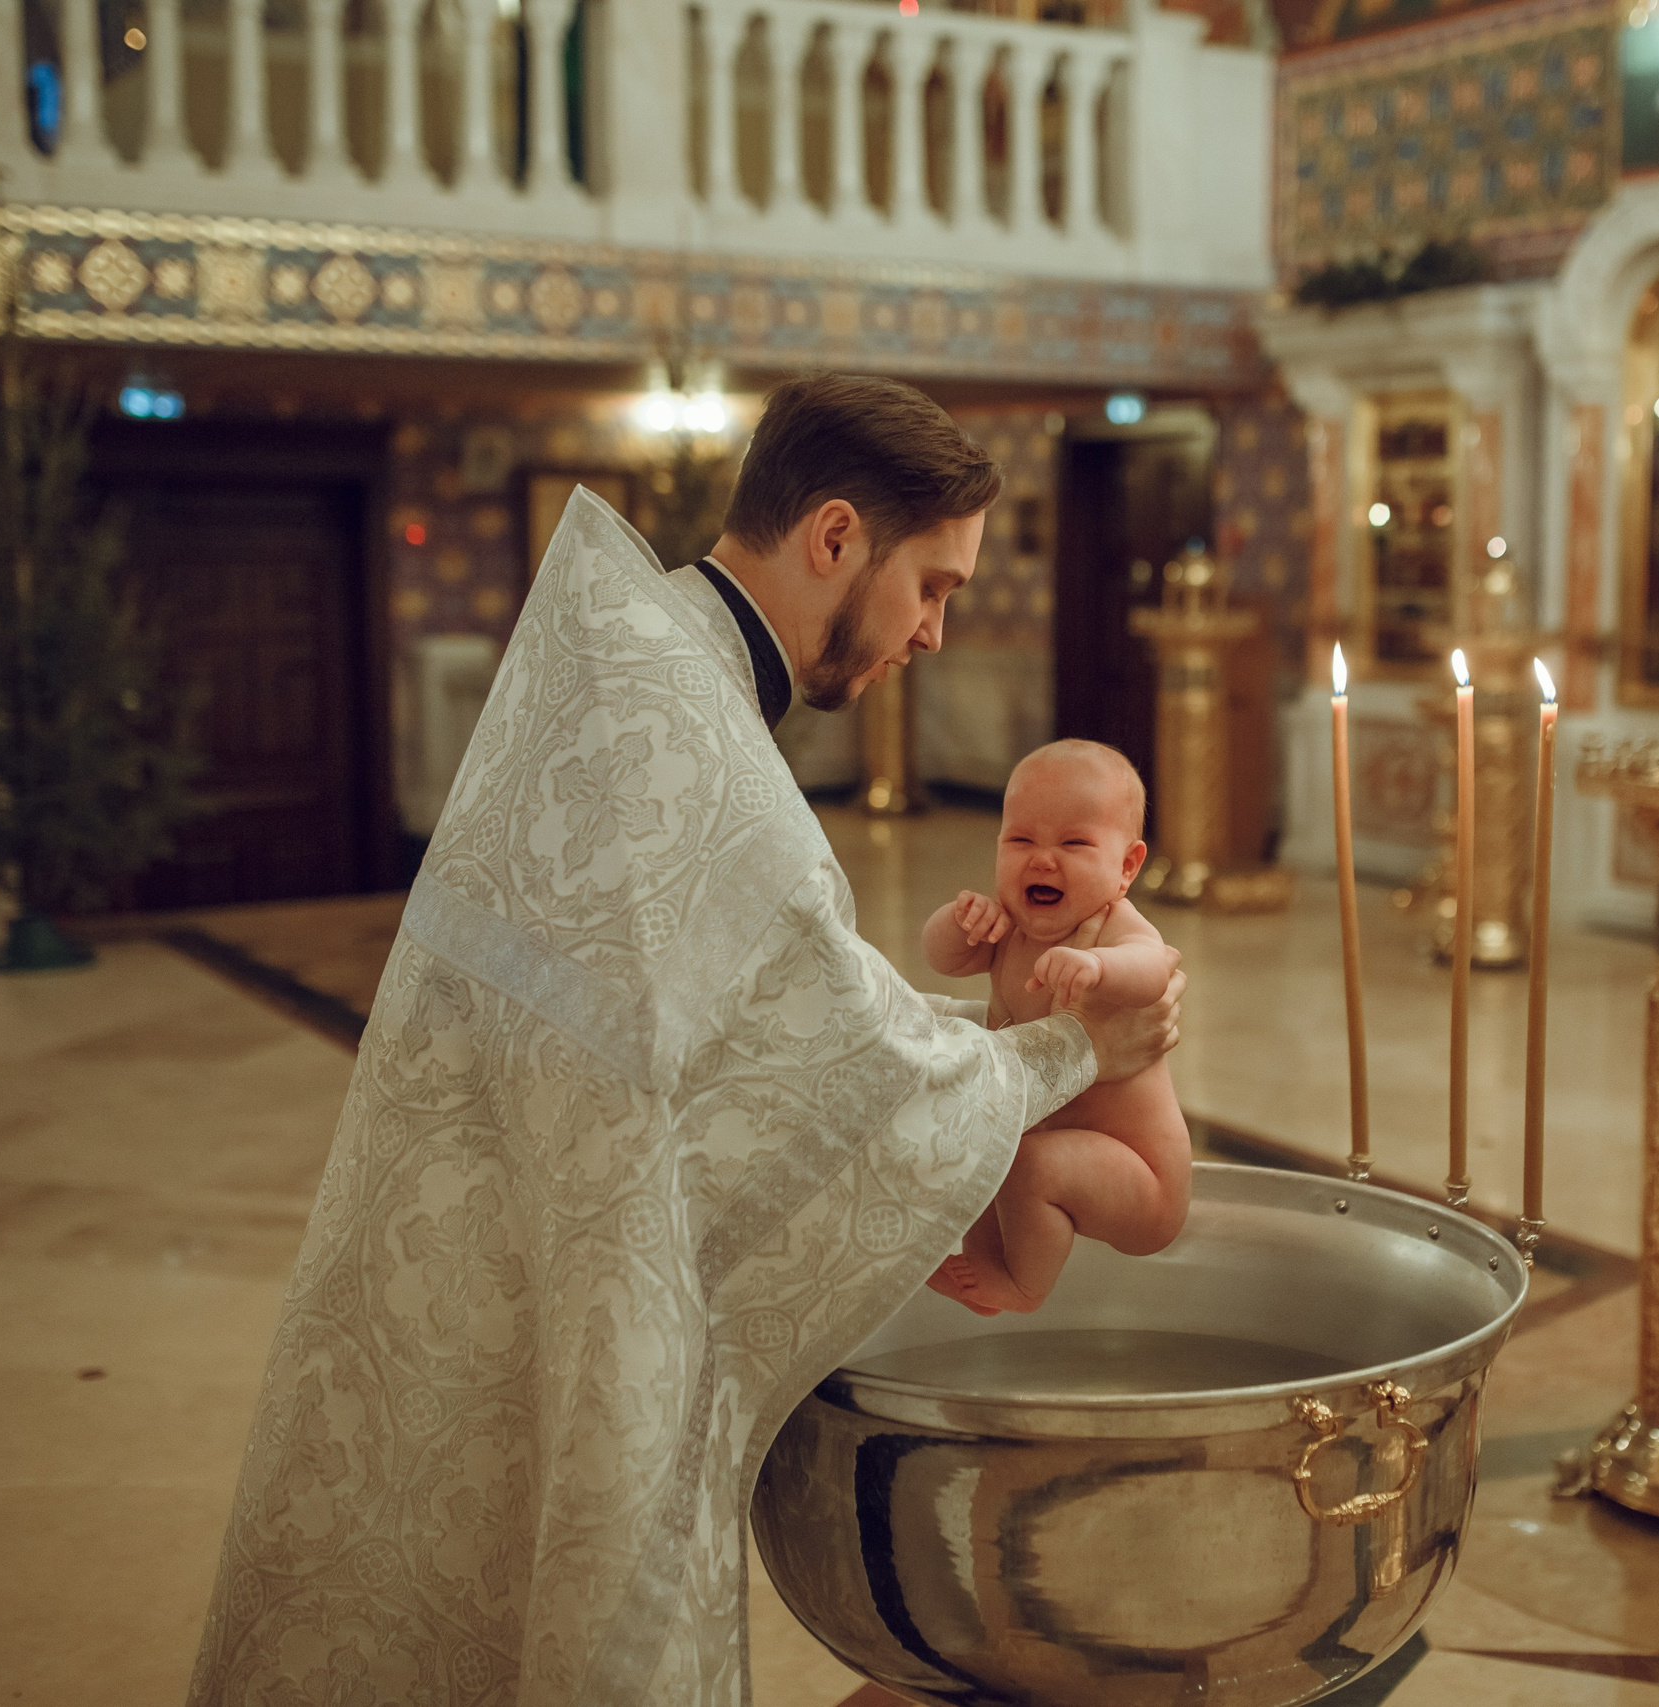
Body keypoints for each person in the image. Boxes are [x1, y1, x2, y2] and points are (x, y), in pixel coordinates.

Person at [187, 373, 1184, 1706]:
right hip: (566, 1270)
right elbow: (847, 1081)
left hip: (478, 1233)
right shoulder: (703, 750)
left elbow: (740, 1034)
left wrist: (992, 1027)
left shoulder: (642, 662)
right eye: (933, 585)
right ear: (834, 537)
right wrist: (1076, 1052)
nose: (938, 632)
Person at [920, 740, 1191, 1315]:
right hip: (1069, 1156)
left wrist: (1099, 967)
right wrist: (959, 922)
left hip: (1138, 1177)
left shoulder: (1116, 926)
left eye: (1074, 843)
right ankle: (988, 1267)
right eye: (1020, 840)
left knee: (1029, 1164)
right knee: (989, 1145)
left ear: (1127, 866)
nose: (1042, 860)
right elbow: (940, 958)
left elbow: (1153, 970)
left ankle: (1022, 1286)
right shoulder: (1009, 930)